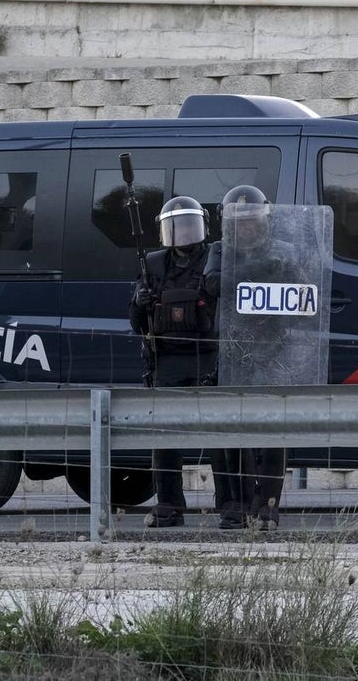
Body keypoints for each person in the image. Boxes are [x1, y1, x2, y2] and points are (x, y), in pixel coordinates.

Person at [129, 195, 227, 528]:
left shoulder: (215, 258)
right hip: (168, 360)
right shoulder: (154, 265)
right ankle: (169, 506)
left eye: (188, 225)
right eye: (176, 226)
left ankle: (228, 505)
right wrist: (140, 302)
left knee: (219, 436)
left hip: (207, 358)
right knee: (165, 438)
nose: (183, 233)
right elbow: (137, 324)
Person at [218, 184, 289, 531]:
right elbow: (214, 288)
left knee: (272, 436)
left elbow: (307, 299)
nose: (246, 227)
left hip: (273, 355)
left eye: (252, 221)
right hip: (234, 356)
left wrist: (280, 270)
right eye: (239, 222)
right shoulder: (220, 254)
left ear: (265, 222)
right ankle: (238, 505)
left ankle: (268, 507)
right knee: (234, 435)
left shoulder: (284, 254)